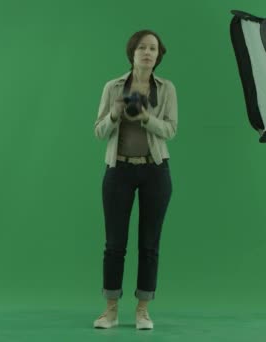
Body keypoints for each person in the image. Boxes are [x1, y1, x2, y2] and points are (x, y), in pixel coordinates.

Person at [92, 29, 178, 330]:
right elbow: (99, 131)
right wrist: (115, 114)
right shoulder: (113, 87)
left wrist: (145, 118)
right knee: (114, 244)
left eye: (153, 48)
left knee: (149, 244)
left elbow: (170, 130)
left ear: (158, 55)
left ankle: (143, 310)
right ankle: (110, 310)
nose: (147, 52)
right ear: (132, 53)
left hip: (155, 170)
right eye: (142, 47)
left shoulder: (166, 89)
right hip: (119, 170)